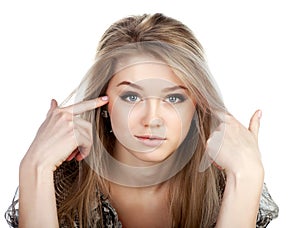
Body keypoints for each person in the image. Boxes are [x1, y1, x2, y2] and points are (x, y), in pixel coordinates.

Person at [5, 13, 279, 228]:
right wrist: (35, 166)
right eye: (132, 97)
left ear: (198, 105)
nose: (152, 120)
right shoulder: (60, 184)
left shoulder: (226, 184)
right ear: (103, 99)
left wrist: (247, 176)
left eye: (174, 99)